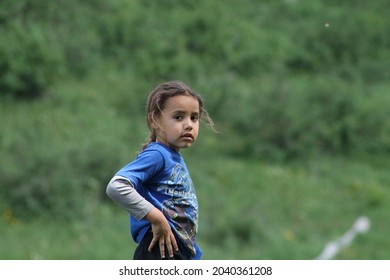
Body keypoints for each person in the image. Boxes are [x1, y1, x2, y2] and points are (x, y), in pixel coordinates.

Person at [106, 81, 214, 260]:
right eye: (178, 117)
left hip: (174, 250)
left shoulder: (172, 157)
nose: (189, 125)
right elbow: (116, 186)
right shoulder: (158, 154)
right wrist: (157, 218)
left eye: (194, 118)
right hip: (159, 249)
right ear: (154, 120)